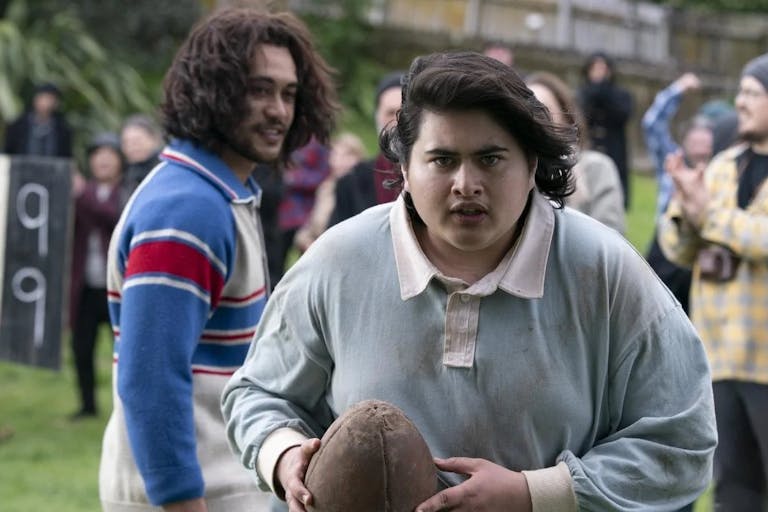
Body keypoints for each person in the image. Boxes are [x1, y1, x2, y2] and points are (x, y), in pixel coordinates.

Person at [223, 51, 717, 512]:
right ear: (406, 168)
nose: (465, 184)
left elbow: (683, 439)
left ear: (531, 166)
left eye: (491, 158)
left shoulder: (605, 270)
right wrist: (285, 455)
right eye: (442, 160)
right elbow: (258, 393)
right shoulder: (338, 260)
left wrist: (535, 492)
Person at [99, 8, 337, 512]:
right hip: (193, 495)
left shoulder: (220, 193)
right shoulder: (187, 208)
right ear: (212, 90)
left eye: (289, 93)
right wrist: (182, 499)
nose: (278, 110)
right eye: (258, 89)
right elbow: (150, 377)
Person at [658, 52, 768, 511]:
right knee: (734, 489)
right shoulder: (723, 166)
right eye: (740, 91)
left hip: (765, 361)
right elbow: (676, 247)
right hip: (720, 358)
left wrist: (712, 217)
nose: (740, 101)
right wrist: (686, 216)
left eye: (753, 93)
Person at [642, 73, 715, 315]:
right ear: (685, 143)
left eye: (706, 143)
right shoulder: (672, 159)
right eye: (695, 141)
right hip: (664, 242)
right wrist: (678, 89)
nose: (700, 148)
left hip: (700, 248)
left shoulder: (720, 171)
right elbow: (652, 124)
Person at [69, 132, 124, 419]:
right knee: (81, 348)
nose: (102, 160)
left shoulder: (125, 192)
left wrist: (81, 196)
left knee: (123, 351)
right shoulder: (80, 192)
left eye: (109, 154)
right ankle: (87, 406)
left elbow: (113, 218)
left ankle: (123, 405)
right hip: (85, 287)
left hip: (115, 286)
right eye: (97, 155)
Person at [526, 71, 625, 233]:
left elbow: (610, 243)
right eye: (526, 113)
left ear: (566, 120)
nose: (534, 122)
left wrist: (571, 196)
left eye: (543, 112)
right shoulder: (512, 171)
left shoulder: (596, 168)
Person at [327, 71, 403, 226]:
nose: (397, 121)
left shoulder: (434, 177)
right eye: (390, 113)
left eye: (405, 112)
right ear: (377, 119)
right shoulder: (352, 181)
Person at [577, 51, 633, 208]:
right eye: (595, 68)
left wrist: (602, 90)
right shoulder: (583, 93)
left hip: (613, 151)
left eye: (603, 68)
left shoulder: (620, 95)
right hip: (587, 150)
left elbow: (623, 114)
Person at [294, 132, 366, 251]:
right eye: (336, 155)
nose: (339, 161)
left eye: (347, 155)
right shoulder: (326, 187)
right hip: (319, 247)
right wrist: (305, 239)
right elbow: (312, 223)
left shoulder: (362, 189)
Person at [275, 137, 330, 277]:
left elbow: (323, 174)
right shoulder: (285, 139)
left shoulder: (319, 145)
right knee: (276, 262)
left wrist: (294, 179)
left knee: (308, 264)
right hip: (283, 215)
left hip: (307, 216)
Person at [4, 82, 72, 158]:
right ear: (35, 99)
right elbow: (8, 153)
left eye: (50, 98)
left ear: (56, 103)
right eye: (43, 97)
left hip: (51, 168)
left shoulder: (63, 129)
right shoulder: (18, 126)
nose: (46, 102)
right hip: (22, 168)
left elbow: (66, 157)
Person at [120, 113, 164, 198]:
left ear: (155, 140)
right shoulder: (125, 174)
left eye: (137, 141)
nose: (132, 147)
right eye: (127, 142)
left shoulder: (163, 169)